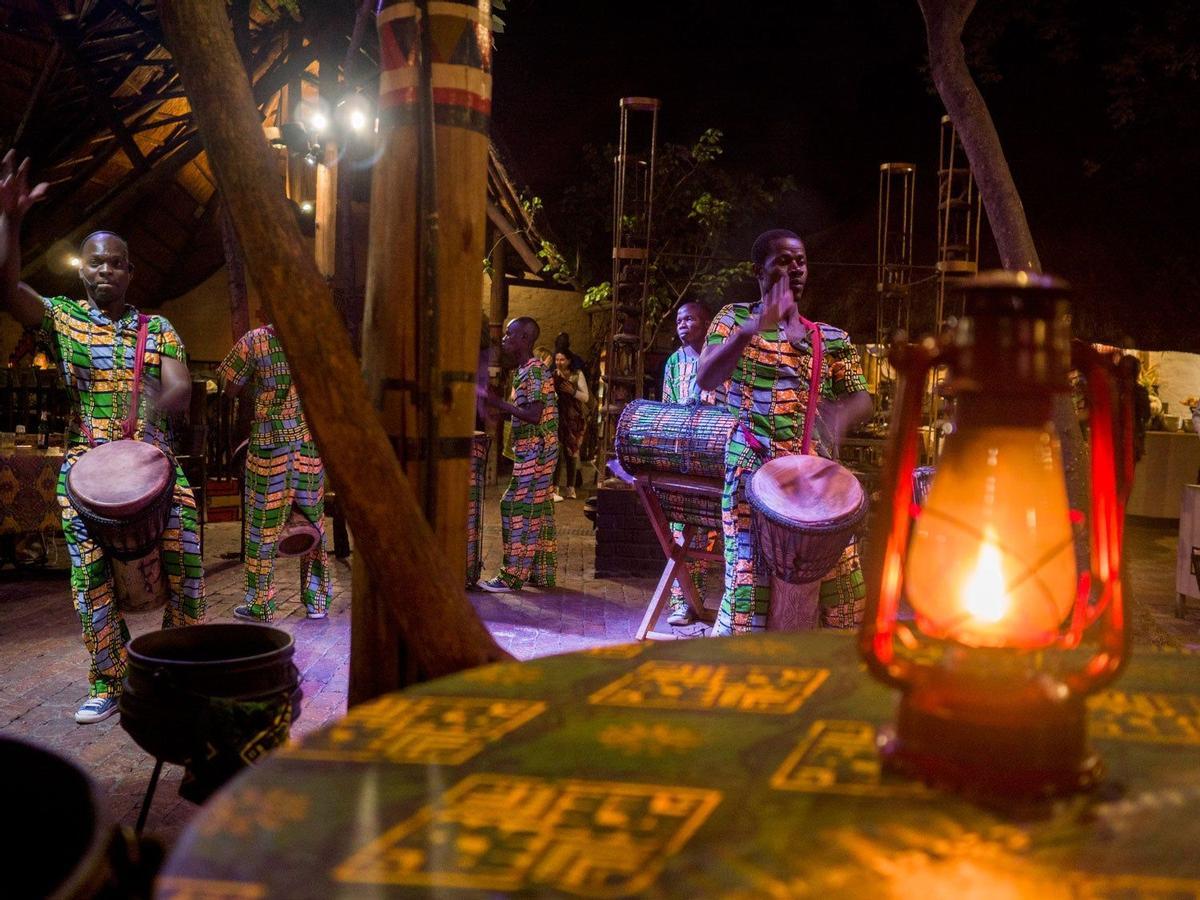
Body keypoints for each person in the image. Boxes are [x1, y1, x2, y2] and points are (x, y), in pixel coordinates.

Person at [0, 152, 204, 723]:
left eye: (117, 263)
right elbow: (6, 284)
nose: (107, 271)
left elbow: (181, 385)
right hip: (83, 472)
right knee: (90, 584)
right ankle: (108, 681)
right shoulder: (62, 319)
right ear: (82, 271)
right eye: (97, 264)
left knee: (187, 563)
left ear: (131, 272)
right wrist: (10, 221)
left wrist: (162, 402)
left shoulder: (156, 328)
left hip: (156, 466)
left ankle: (176, 673)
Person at [697, 229, 872, 635]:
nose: (795, 268)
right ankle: (741, 678)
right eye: (783, 260)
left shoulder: (830, 338)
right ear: (759, 271)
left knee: (846, 592)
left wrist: (841, 415)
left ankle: (824, 679)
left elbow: (863, 398)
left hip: (814, 487)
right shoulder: (733, 320)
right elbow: (706, 377)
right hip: (750, 476)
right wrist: (751, 328)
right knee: (747, 591)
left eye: (801, 261)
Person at [218, 324, 330, 622]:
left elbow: (229, 386)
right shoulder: (317, 337)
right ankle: (317, 601)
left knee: (261, 526)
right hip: (308, 444)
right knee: (315, 523)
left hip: (270, 444)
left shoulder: (256, 339)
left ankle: (260, 604)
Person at [478, 316, 559, 592]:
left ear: (524, 339)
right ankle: (542, 573)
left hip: (537, 449)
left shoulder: (533, 371)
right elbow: (526, 411)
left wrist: (499, 403)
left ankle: (511, 576)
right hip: (537, 449)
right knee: (541, 508)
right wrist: (499, 409)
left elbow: (535, 415)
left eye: (509, 335)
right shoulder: (525, 370)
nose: (504, 339)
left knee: (514, 505)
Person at [661, 301, 720, 626]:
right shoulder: (674, 362)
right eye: (679, 320)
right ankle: (682, 603)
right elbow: (667, 407)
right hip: (682, 454)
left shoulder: (720, 357)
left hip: (710, 456)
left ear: (706, 323)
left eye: (690, 319)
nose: (683, 325)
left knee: (709, 532)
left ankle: (707, 602)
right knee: (679, 529)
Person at [552, 349, 589, 501]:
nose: (559, 363)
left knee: (571, 452)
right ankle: (554, 488)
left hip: (573, 418)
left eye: (562, 360)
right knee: (557, 452)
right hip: (557, 417)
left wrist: (573, 391)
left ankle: (570, 488)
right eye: (557, 360)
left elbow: (586, 397)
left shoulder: (577, 375)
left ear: (568, 361)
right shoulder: (554, 375)